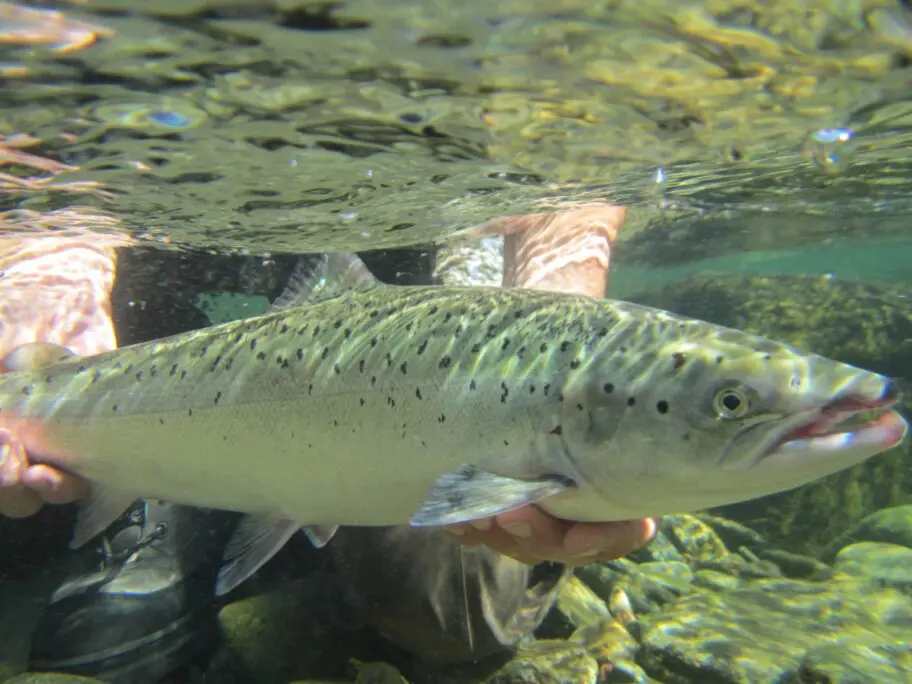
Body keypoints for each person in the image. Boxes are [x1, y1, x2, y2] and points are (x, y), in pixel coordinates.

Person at [0, 205, 655, 681]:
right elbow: (43, 167)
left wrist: (572, 351)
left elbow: (563, 190)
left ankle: (312, 539)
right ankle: (210, 509)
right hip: (169, 360)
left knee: (455, 615)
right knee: (101, 654)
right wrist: (41, 292)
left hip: (443, 377)